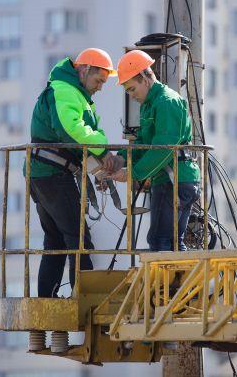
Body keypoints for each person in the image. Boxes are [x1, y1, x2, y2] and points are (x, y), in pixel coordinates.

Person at [26, 48, 119, 297]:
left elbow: (71, 140)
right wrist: (103, 153)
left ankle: (48, 298)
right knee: (78, 238)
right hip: (51, 175)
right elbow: (71, 131)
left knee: (56, 240)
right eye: (99, 80)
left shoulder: (73, 94)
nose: (100, 87)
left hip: (46, 173)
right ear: (84, 70)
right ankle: (84, 297)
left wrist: (98, 170)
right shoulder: (65, 91)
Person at [110, 50, 200, 251]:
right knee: (169, 242)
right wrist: (118, 161)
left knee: (162, 242)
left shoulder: (166, 102)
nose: (132, 96)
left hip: (175, 178)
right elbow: (143, 142)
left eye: (132, 89)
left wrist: (132, 173)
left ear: (145, 78)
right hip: (169, 177)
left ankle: (171, 283)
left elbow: (163, 147)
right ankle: (175, 282)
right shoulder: (150, 105)